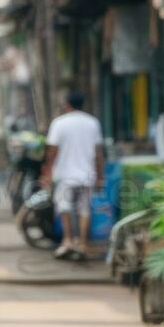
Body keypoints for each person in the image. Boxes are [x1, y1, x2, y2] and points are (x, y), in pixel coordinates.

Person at [41, 90, 105, 261]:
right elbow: (99, 153)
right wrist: (100, 176)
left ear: (67, 104)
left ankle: (68, 240)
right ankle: (83, 244)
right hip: (86, 174)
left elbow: (52, 151)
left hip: (65, 174)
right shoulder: (93, 123)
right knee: (85, 209)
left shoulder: (59, 123)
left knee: (65, 208)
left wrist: (47, 172)